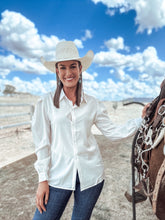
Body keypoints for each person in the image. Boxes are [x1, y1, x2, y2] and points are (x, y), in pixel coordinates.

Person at [32, 41, 144, 220]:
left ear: (80, 68)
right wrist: (42, 180)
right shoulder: (45, 103)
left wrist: (142, 120)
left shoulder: (92, 103)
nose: (68, 73)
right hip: (57, 176)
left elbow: (114, 132)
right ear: (57, 70)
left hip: (91, 177)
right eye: (63, 67)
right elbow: (41, 143)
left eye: (73, 66)